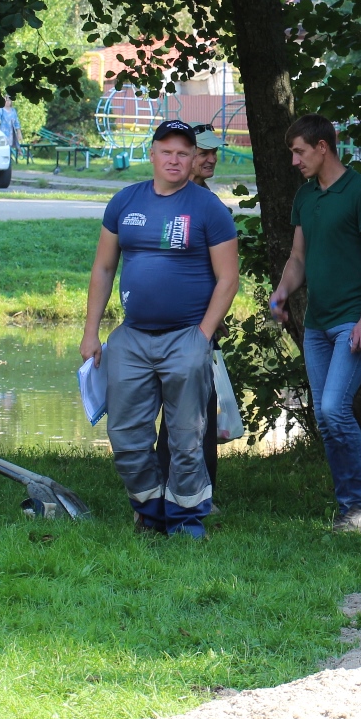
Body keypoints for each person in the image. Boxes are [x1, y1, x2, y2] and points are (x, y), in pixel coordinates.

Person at [81, 120, 239, 537]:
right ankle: (151, 510)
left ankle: (186, 519)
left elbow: (228, 279)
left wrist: (203, 335)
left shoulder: (209, 209)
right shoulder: (124, 201)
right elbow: (103, 268)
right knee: (125, 435)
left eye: (183, 153)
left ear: (192, 159)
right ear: (151, 154)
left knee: (187, 437)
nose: (174, 159)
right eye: (166, 151)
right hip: (131, 337)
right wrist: (91, 332)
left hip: (186, 336)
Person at [268, 114, 361, 532]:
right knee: (325, 417)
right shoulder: (305, 196)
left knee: (334, 409)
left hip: (351, 321)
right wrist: (281, 293)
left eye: (299, 151)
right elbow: (297, 258)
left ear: (323, 147)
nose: (294, 160)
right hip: (317, 324)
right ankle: (349, 507)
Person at [154, 124, 228, 487]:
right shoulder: (170, 201)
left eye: (214, 153)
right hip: (168, 323)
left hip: (200, 325)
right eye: (203, 152)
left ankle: (198, 490)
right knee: (173, 408)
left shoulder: (210, 205)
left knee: (200, 411)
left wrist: (213, 321)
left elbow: (223, 273)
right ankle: (164, 485)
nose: (210, 159)